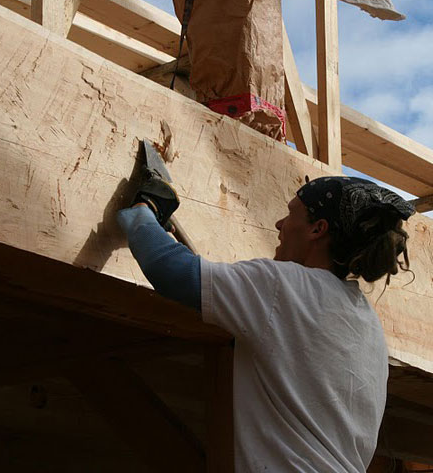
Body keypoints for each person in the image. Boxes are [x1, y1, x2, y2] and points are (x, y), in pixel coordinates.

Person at [117, 175, 415, 473]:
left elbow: (170, 270)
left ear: (317, 229)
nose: (279, 224)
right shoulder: (369, 325)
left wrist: (144, 210)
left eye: (291, 214)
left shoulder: (283, 286)